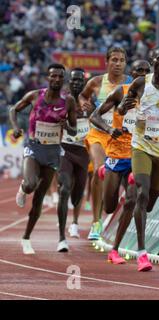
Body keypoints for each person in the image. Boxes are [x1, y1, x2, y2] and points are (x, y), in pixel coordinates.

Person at [117, 48, 159, 271]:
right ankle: (142, 252)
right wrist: (122, 107)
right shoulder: (140, 83)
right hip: (141, 146)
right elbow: (121, 107)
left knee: (150, 202)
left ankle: (137, 220)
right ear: (153, 60)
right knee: (142, 193)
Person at [91, 59, 152, 271]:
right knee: (109, 206)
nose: (142, 75)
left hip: (139, 154)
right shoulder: (121, 91)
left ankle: (119, 250)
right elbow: (94, 116)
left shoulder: (155, 97)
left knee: (132, 200)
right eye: (138, 71)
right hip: (116, 155)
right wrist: (110, 130)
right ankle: (103, 172)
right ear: (131, 74)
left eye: (146, 71)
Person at [10, 63, 77, 254]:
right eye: (53, 76)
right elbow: (13, 109)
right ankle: (23, 188)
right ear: (48, 78)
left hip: (53, 152)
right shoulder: (35, 95)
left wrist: (66, 125)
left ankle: (26, 238)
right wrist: (15, 128)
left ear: (63, 79)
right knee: (31, 184)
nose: (56, 79)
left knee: (39, 199)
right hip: (34, 148)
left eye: (60, 77)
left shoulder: (69, 101)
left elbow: (73, 129)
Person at [78, 46, 133, 240]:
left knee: (130, 179)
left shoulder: (131, 83)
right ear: (107, 62)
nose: (118, 63)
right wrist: (83, 102)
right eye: (114, 60)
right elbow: (83, 95)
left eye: (122, 60)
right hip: (98, 133)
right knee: (99, 169)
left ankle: (124, 216)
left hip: (121, 136)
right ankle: (96, 222)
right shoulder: (96, 82)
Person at [57, 68, 89, 244]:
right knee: (65, 188)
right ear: (69, 82)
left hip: (84, 151)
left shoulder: (89, 101)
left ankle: (75, 221)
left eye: (80, 81)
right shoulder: (63, 100)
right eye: (74, 80)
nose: (77, 83)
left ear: (83, 83)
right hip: (65, 148)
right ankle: (63, 233)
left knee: (78, 193)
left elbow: (98, 118)